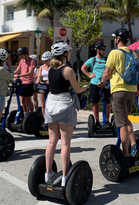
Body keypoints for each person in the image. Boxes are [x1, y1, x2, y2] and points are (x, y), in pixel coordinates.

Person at [44, 42, 88, 187]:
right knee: (65, 144)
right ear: (65, 54)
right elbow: (76, 89)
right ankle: (64, 177)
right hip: (64, 107)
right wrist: (85, 87)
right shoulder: (68, 70)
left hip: (51, 106)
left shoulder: (50, 69)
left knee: (51, 142)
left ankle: (48, 173)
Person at [98, 28, 138, 159]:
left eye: (115, 38)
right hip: (132, 91)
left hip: (119, 91)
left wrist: (102, 82)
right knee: (125, 119)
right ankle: (134, 144)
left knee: (121, 124)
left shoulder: (114, 53)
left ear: (118, 39)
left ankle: (125, 154)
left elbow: (106, 72)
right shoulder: (133, 53)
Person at [81, 42, 111, 129]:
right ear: (97, 50)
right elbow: (83, 68)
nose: (104, 51)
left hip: (105, 84)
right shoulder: (92, 60)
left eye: (104, 49)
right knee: (95, 103)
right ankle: (97, 121)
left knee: (107, 103)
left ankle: (107, 121)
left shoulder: (107, 59)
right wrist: (89, 75)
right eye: (102, 49)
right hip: (95, 83)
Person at [13, 47, 37, 113]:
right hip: (21, 82)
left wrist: (19, 75)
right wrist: (11, 74)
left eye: (22, 54)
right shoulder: (21, 61)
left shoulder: (32, 61)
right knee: (22, 100)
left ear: (26, 54)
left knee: (28, 100)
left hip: (28, 82)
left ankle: (31, 113)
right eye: (20, 55)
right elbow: (17, 70)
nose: (21, 56)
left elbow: (30, 73)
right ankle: (25, 113)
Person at [36, 51, 51, 118]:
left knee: (49, 103)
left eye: (46, 61)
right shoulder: (41, 67)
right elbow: (39, 76)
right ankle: (45, 119)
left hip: (50, 85)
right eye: (44, 61)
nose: (45, 62)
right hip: (43, 85)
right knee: (43, 103)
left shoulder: (52, 67)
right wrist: (37, 81)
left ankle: (50, 118)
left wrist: (49, 81)